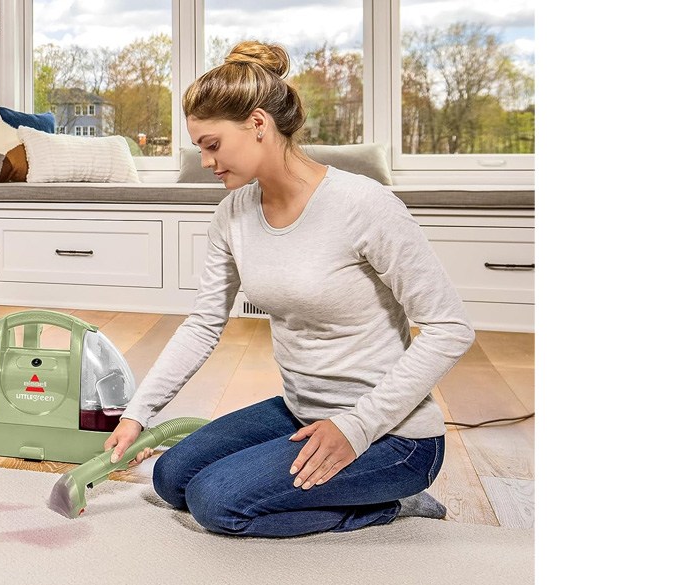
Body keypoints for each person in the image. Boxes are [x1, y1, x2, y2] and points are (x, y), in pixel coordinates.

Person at [103, 40, 475, 538]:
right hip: (301, 411)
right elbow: (203, 324)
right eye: (200, 149)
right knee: (173, 479)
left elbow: (450, 328)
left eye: (213, 145)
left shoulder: (363, 205)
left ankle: (394, 500)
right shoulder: (232, 214)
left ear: (259, 124)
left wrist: (356, 427)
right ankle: (323, 479)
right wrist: (137, 414)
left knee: (216, 503)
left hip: (392, 434)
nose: (207, 162)